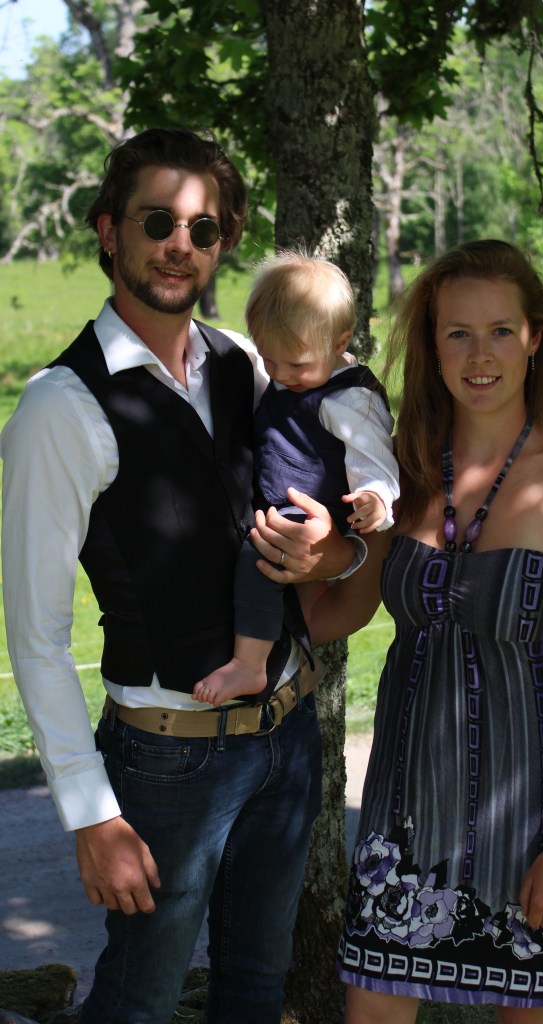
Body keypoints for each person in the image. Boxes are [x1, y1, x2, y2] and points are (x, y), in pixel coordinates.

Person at [0, 127, 381, 1024]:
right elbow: (36, 635)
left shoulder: (244, 362)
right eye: (156, 222)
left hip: (286, 732)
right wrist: (92, 816)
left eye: (203, 229)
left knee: (255, 988)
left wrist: (335, 551)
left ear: (224, 241)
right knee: (140, 1001)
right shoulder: (61, 406)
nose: (181, 244)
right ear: (109, 230)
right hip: (165, 758)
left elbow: (321, 518)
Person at [310, 239, 543, 1023]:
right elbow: (340, 614)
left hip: (530, 826)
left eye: (499, 332)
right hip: (403, 819)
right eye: (457, 332)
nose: (479, 355)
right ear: (432, 344)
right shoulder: (403, 471)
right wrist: (290, 562)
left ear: (535, 338)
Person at [192, 250, 399, 705]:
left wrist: (375, 498)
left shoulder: (351, 400)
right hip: (285, 498)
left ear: (341, 341)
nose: (282, 375)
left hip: (317, 511)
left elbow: (375, 457)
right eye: (271, 361)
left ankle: (250, 665)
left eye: (297, 365)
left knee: (260, 557)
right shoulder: (293, 373)